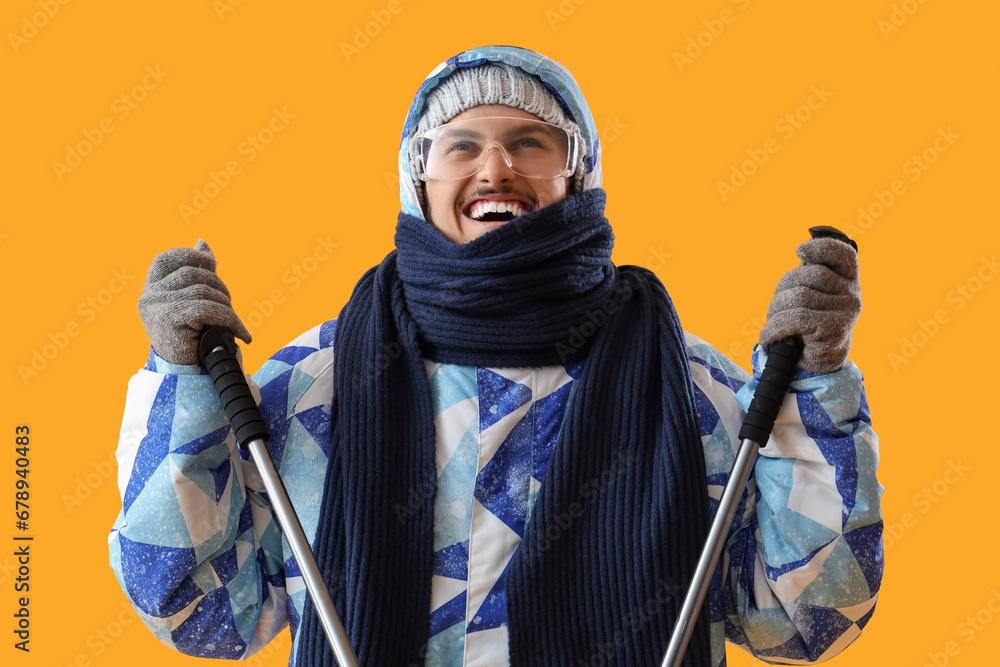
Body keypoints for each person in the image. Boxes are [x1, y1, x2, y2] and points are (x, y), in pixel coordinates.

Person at [109, 45, 882, 666]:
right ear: (420, 177)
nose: (494, 169)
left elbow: (805, 621)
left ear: (578, 175)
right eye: (462, 145)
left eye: (528, 143)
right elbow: (206, 613)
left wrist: (815, 391)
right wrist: (185, 385)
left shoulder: (689, 390)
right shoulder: (315, 387)